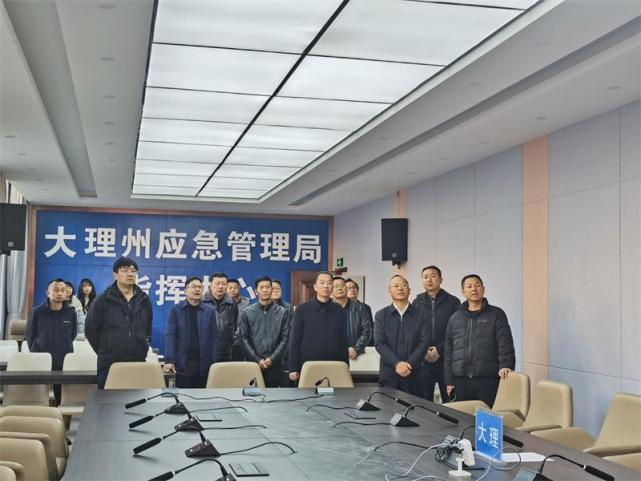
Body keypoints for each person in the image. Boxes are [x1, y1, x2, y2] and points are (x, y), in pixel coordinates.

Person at [444, 274, 515, 407]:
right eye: (469, 286)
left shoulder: (496, 314)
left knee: (487, 415)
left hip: (488, 378)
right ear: (463, 291)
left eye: (477, 285)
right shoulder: (455, 318)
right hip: (461, 379)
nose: (474, 289)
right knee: (463, 415)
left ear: (483, 289)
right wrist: (449, 380)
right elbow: (448, 351)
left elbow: (505, 342)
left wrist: (506, 365)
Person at [85, 257, 153, 389]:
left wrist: (143, 344)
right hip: (109, 364)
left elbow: (147, 327)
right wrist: (105, 350)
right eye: (125, 270)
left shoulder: (144, 300)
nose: (130, 274)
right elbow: (90, 330)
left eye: (133, 270)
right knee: (108, 401)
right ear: (115, 275)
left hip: (138, 362)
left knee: (137, 401)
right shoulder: (103, 300)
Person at [374, 275, 429, 397]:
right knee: (387, 408)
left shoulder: (421, 314)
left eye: (404, 285)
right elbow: (379, 343)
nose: (400, 288)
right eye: (396, 286)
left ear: (409, 290)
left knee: (415, 408)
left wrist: (409, 364)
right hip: (389, 375)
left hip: (414, 374)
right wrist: (397, 363)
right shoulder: (381, 315)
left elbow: (424, 342)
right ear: (389, 290)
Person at [288, 271, 348, 383]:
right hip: (307, 365)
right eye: (322, 282)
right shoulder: (302, 309)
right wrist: (293, 367)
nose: (326, 286)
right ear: (315, 286)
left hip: (334, 364)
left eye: (329, 283)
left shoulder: (339, 310)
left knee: (334, 393)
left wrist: (345, 367)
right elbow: (295, 340)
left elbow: (343, 341)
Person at [412, 266, 460, 402]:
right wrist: (423, 350)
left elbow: (457, 332)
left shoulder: (453, 302)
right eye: (425, 277)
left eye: (433, 276)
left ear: (441, 279)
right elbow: (413, 332)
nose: (429, 280)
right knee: (423, 402)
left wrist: (439, 349)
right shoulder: (417, 303)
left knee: (450, 402)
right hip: (424, 361)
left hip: (447, 359)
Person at [26, 278, 77, 404]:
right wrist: (36, 352)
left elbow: (72, 335)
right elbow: (30, 336)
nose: (60, 293)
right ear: (48, 293)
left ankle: (59, 414)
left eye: (63, 290)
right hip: (42, 358)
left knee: (61, 396)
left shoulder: (71, 313)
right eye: (56, 290)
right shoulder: (37, 312)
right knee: (38, 396)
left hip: (63, 358)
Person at [163, 277, 218, 388]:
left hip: (204, 364)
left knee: (202, 395)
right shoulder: (176, 310)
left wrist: (214, 362)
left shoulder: (209, 311)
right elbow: (170, 335)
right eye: (193, 287)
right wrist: (170, 360)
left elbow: (214, 338)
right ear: (185, 291)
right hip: (183, 363)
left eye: (200, 287)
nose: (197, 289)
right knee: (183, 395)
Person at [238, 276, 291, 387]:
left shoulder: (283, 312)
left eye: (268, 287)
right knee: (252, 394)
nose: (265, 290)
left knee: (274, 395)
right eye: (261, 287)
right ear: (256, 291)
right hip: (253, 364)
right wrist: (257, 360)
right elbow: (243, 339)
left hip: (275, 364)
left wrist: (272, 359)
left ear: (272, 289)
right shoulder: (246, 312)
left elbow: (285, 338)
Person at [332, 276, 371, 360]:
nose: (339, 288)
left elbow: (367, 330)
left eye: (342, 285)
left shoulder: (359, 307)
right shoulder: (327, 308)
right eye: (336, 286)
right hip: (333, 354)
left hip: (356, 355)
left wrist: (357, 348)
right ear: (331, 290)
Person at [203, 272, 238, 362]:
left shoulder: (232, 304)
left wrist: (231, 341)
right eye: (217, 283)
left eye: (223, 283)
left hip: (226, 352)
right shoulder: (202, 302)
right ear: (211, 285)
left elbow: (235, 326)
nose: (220, 286)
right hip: (205, 352)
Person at [346, 278, 374, 346]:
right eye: (349, 288)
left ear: (358, 290)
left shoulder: (366, 307)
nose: (352, 290)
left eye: (354, 287)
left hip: (364, 345)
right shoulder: (341, 307)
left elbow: (370, 328)